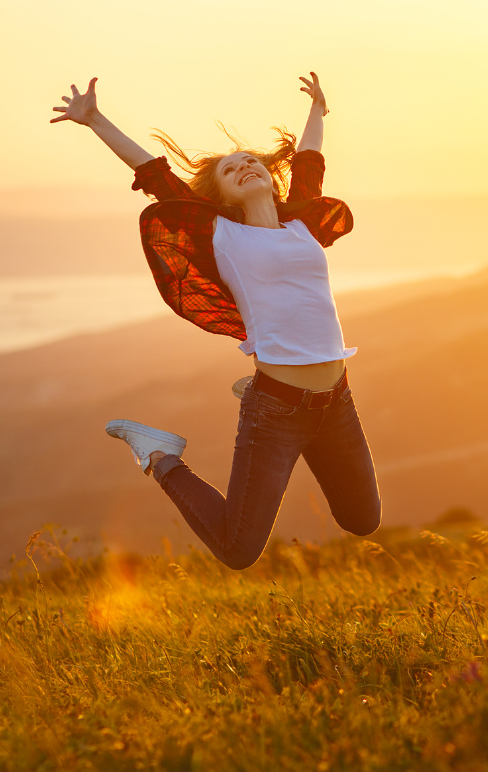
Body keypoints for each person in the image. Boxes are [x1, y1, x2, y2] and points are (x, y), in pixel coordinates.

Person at [50, 73, 381, 569]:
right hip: (277, 412)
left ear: (270, 175)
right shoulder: (220, 234)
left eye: (251, 161)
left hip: (337, 401)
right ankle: (158, 456)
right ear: (222, 196)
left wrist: (318, 111)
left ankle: (249, 390)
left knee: (363, 520)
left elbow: (310, 161)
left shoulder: (302, 222)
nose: (245, 166)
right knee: (238, 549)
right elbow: (154, 174)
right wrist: (95, 119)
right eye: (231, 169)